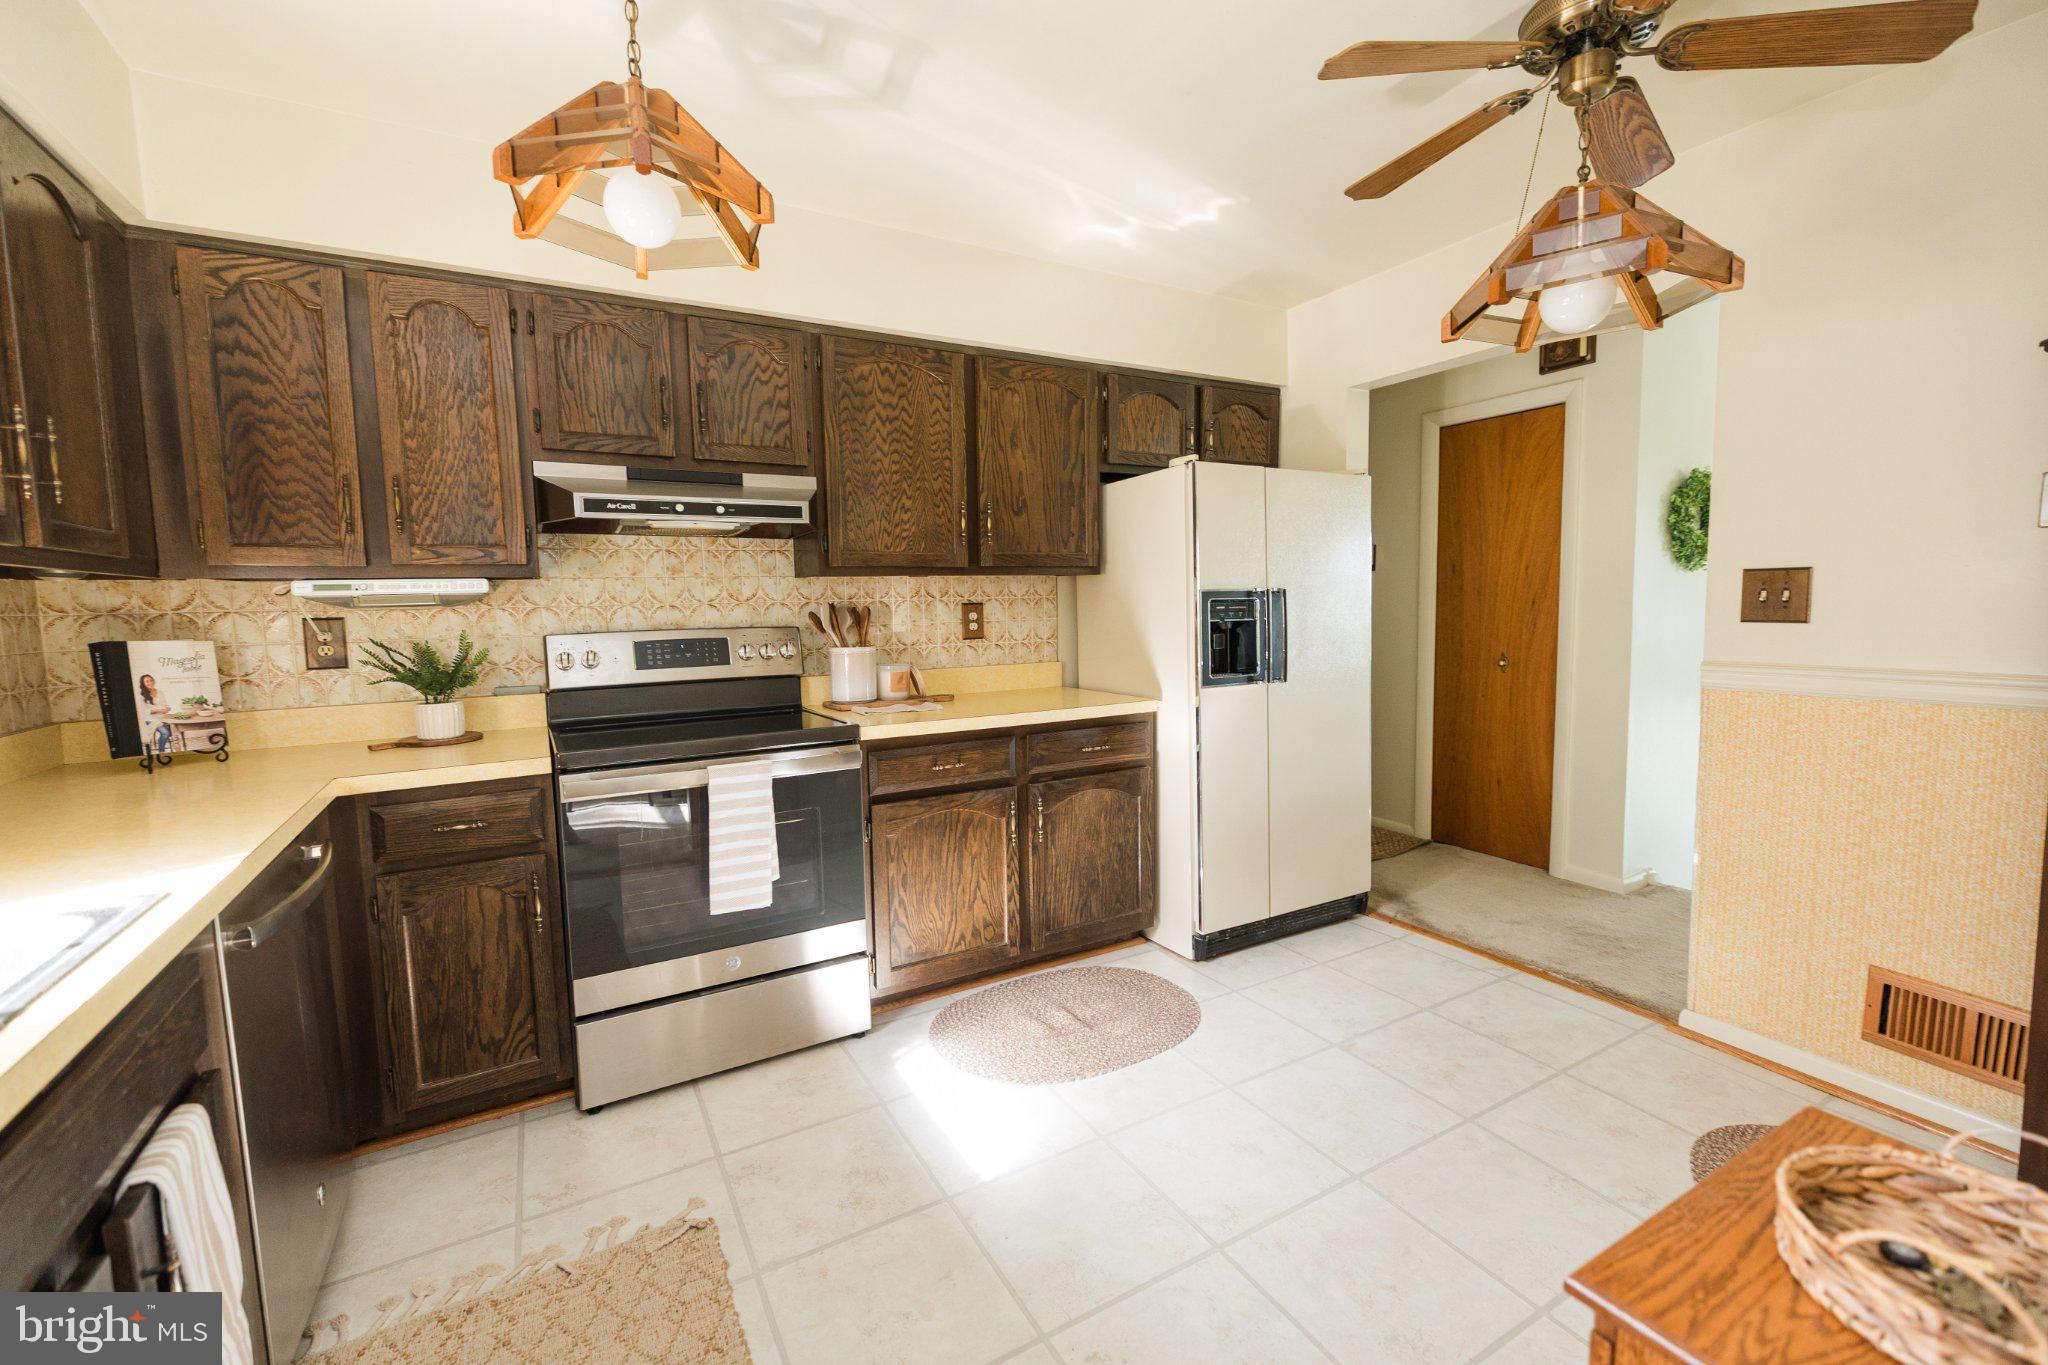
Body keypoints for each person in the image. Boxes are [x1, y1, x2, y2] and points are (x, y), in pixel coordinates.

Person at [137, 673, 174, 755]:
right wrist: (160, 711)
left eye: (151, 680)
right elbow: (145, 711)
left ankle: (162, 749)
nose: (150, 682)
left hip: (163, 718)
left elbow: (165, 704)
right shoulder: (141, 695)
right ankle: (161, 751)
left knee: (173, 729)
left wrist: (167, 708)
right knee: (165, 733)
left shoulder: (160, 692)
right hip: (151, 719)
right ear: (143, 684)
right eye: (147, 681)